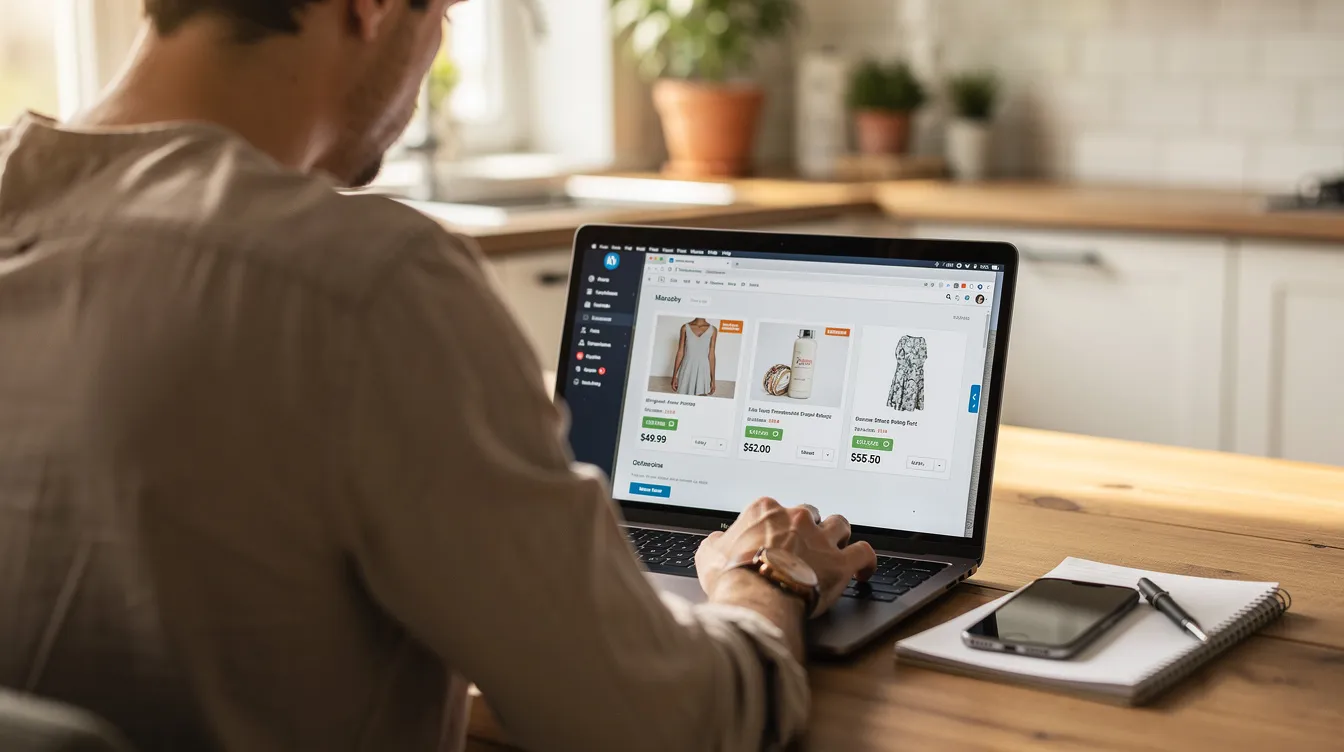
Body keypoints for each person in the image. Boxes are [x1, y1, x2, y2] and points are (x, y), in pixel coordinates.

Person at [0, 1, 876, 751]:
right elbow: (669, 726)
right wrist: (765, 579)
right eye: (447, 15)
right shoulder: (364, 283)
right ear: (373, 7)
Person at [671, 317, 718, 397]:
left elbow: (711, 355)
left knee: (701, 401)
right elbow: (680, 352)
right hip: (687, 369)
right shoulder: (685, 328)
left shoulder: (713, 330)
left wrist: (713, 380)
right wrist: (674, 376)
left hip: (703, 371)